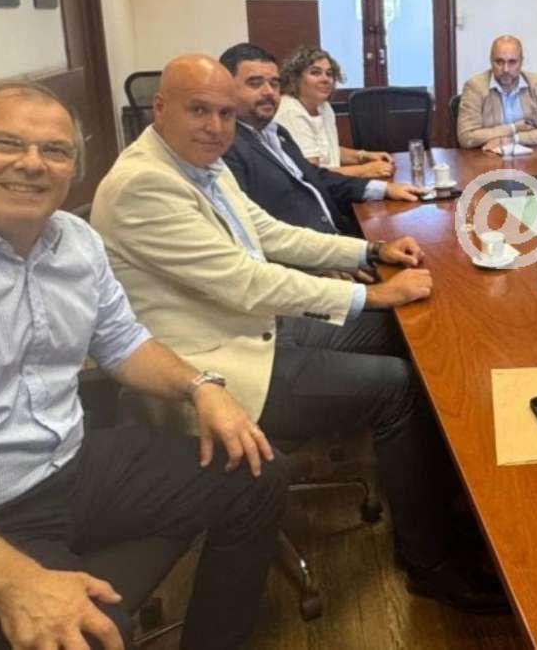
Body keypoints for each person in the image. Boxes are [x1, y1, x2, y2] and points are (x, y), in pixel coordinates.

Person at [91, 54, 505, 611]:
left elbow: (268, 233)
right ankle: (430, 563)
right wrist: (371, 294)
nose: (215, 126)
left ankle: (446, 502)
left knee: (405, 335)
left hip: (258, 331)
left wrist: (370, 250)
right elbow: (246, 281)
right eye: (198, 110)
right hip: (216, 367)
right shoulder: (144, 184)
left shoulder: (198, 162)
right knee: (400, 387)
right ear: (160, 109)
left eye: (224, 114)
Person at [0, 80, 286, 650]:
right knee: (89, 633)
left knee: (256, 476)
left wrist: (203, 386)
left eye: (56, 151)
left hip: (72, 465)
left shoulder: (75, 240)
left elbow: (124, 341)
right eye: (7, 144)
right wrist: (17, 582)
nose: (33, 164)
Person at [220, 43, 423, 237]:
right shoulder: (228, 147)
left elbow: (314, 175)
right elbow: (262, 232)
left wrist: (383, 188)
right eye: (255, 83)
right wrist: (366, 170)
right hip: (311, 246)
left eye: (274, 83)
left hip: (332, 230)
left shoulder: (276, 131)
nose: (269, 91)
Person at [275, 45, 393, 177]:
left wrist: (364, 156)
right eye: (315, 73)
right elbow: (311, 174)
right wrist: (365, 170)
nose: (325, 79)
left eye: (329, 74)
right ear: (295, 79)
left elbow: (328, 152)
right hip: (311, 188)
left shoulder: (324, 107)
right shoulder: (290, 111)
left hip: (332, 184)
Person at [456, 35, 537, 152]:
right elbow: (466, 137)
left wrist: (513, 139)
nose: (506, 69)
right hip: (488, 157)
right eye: (499, 62)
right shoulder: (475, 86)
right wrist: (513, 128)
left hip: (531, 158)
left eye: (512, 62)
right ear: (491, 61)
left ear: (521, 62)